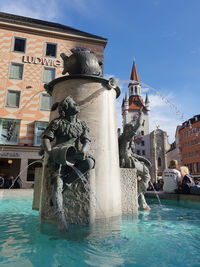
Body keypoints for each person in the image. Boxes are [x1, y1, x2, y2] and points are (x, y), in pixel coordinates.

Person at [41, 96, 95, 231]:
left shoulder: (82, 124)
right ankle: (61, 218)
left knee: (89, 162)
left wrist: (83, 150)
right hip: (59, 155)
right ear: (65, 109)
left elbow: (87, 141)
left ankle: (67, 183)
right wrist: (49, 152)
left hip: (74, 155)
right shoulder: (57, 122)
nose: (77, 104)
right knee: (57, 183)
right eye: (73, 104)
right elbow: (46, 139)